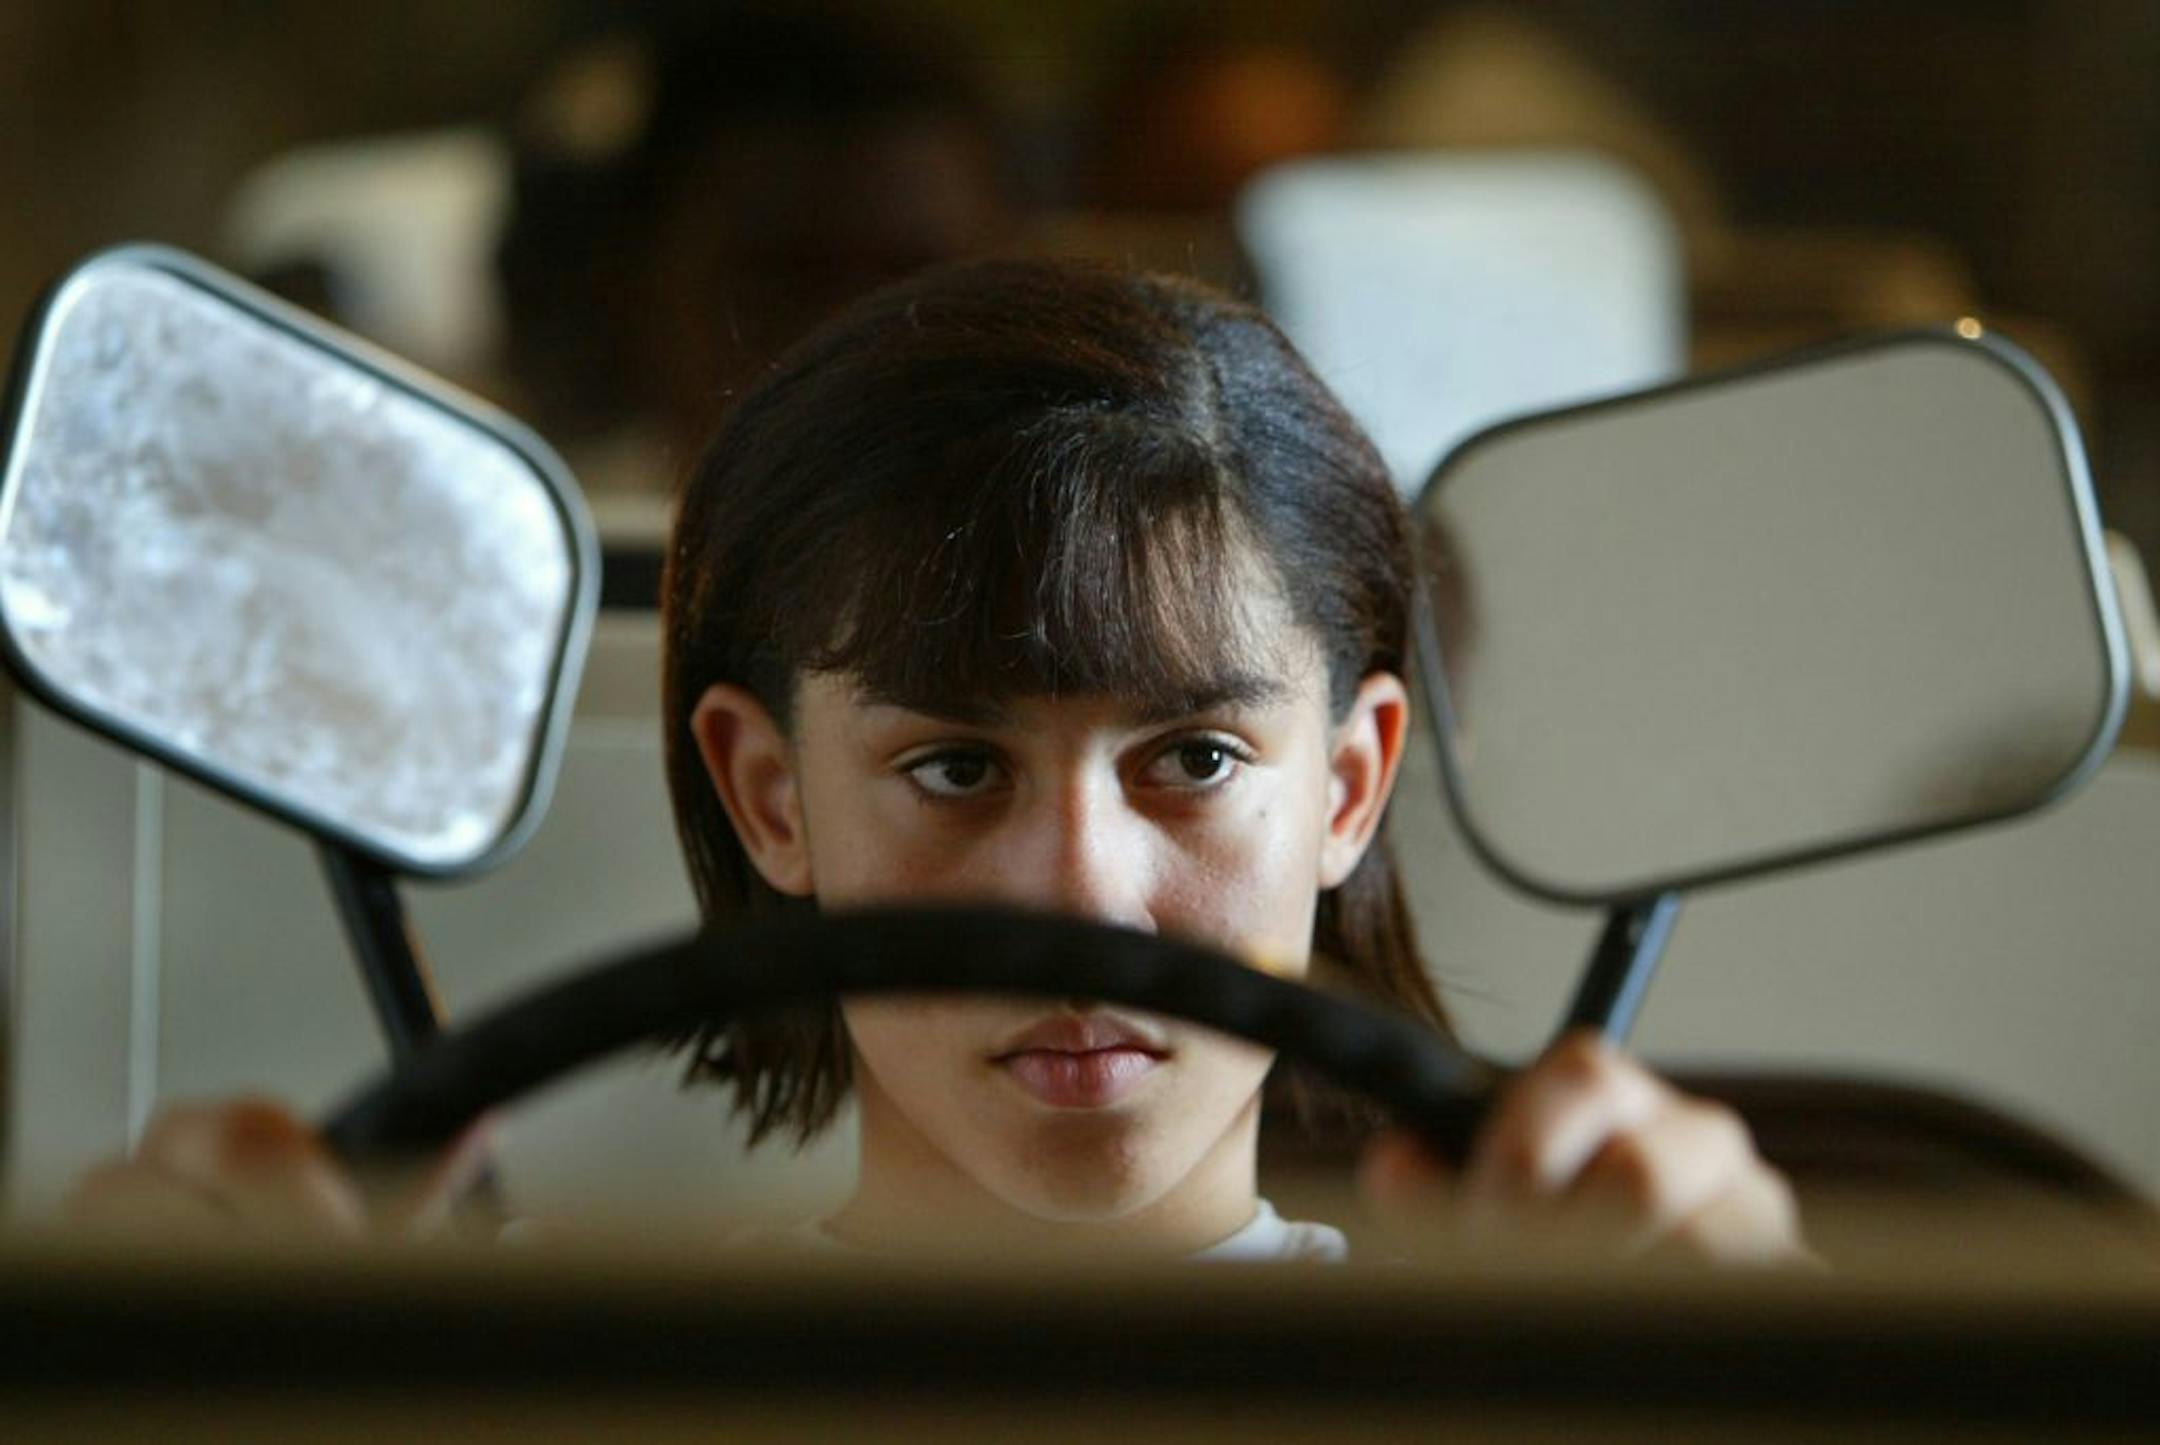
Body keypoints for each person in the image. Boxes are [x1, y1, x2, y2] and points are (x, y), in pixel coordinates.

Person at [70, 259, 1801, 1265]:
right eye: (958, 767)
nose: (1078, 891)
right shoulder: (557, 1406)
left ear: (1347, 787)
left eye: (1192, 757)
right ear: (770, 796)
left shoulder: (1551, 1398)